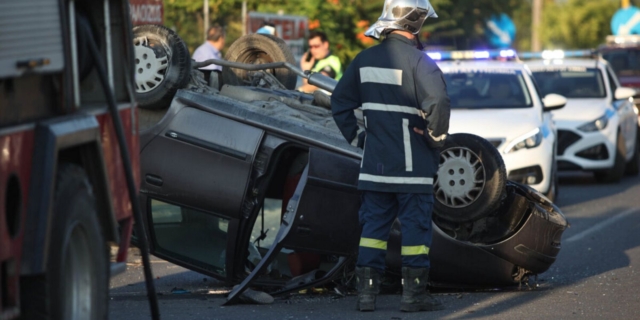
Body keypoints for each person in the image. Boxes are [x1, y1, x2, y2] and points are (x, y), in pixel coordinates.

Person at [331, 0, 450, 313]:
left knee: (373, 230)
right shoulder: (419, 61)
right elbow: (437, 102)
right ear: (415, 23)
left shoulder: (363, 59)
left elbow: (340, 102)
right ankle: (414, 296)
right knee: (415, 231)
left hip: (375, 168)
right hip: (413, 169)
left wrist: (358, 138)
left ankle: (365, 297)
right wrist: (436, 140)